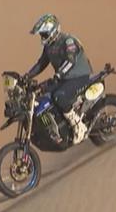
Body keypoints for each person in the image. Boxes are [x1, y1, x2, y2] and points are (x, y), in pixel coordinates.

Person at [24, 13, 93, 144]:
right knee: (42, 97)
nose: (42, 37)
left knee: (59, 97)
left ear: (53, 31)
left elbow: (70, 61)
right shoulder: (49, 46)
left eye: (44, 34)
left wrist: (59, 74)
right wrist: (27, 76)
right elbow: (41, 63)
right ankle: (59, 128)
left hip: (78, 76)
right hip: (64, 79)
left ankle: (79, 126)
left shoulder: (68, 41)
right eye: (41, 35)